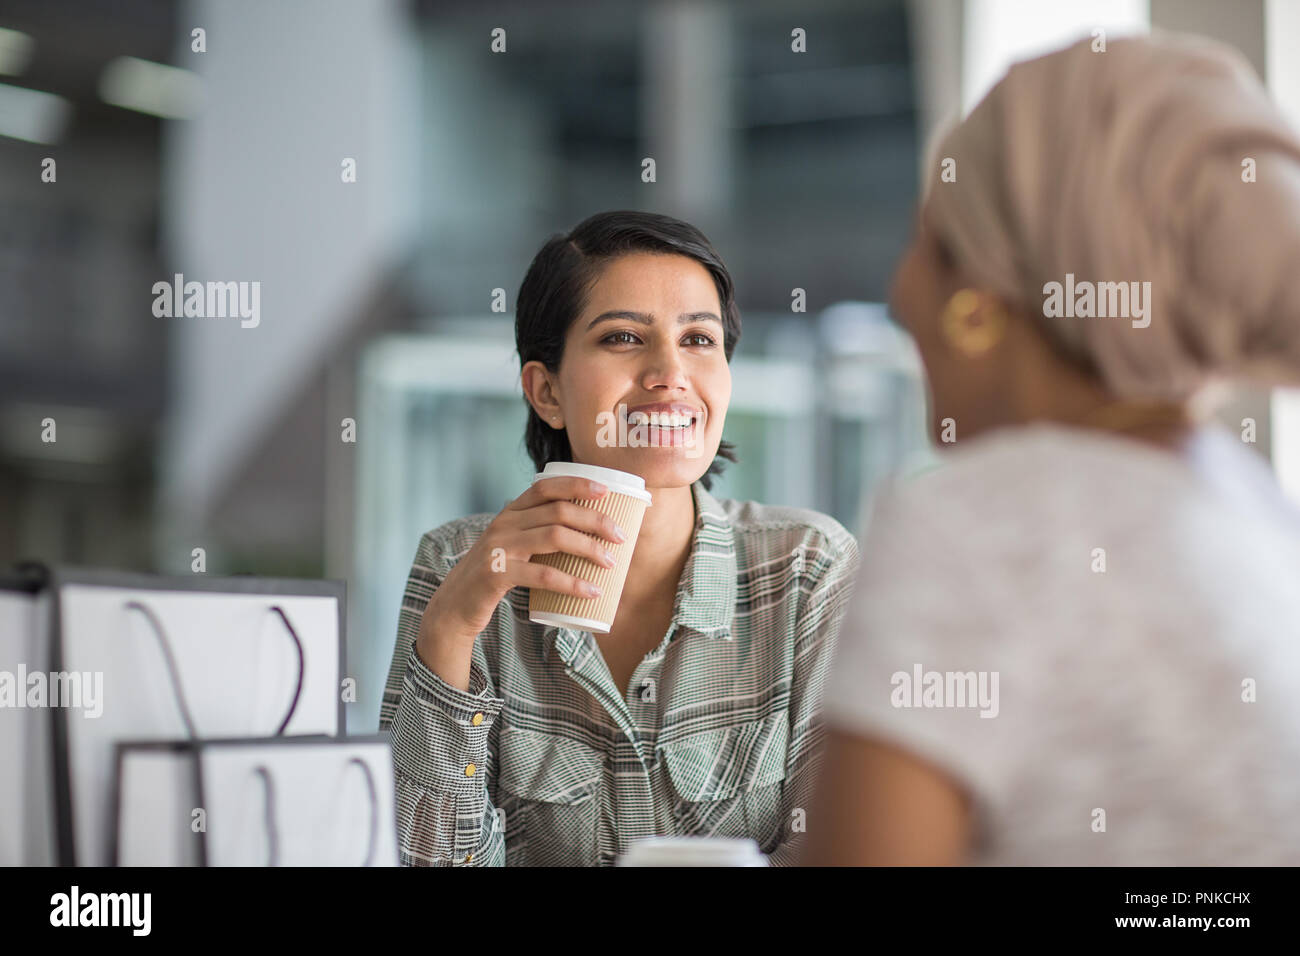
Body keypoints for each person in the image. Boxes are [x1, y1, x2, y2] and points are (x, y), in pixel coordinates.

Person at [802, 32, 1300, 865]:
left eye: (928, 243)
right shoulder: (1255, 508)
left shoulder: (977, 520)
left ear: (980, 300)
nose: (899, 291)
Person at [378, 210, 861, 865]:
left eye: (698, 339)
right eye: (624, 338)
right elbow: (424, 859)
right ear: (545, 390)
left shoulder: (807, 569)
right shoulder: (457, 566)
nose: (669, 372)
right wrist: (451, 628)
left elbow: (844, 847)